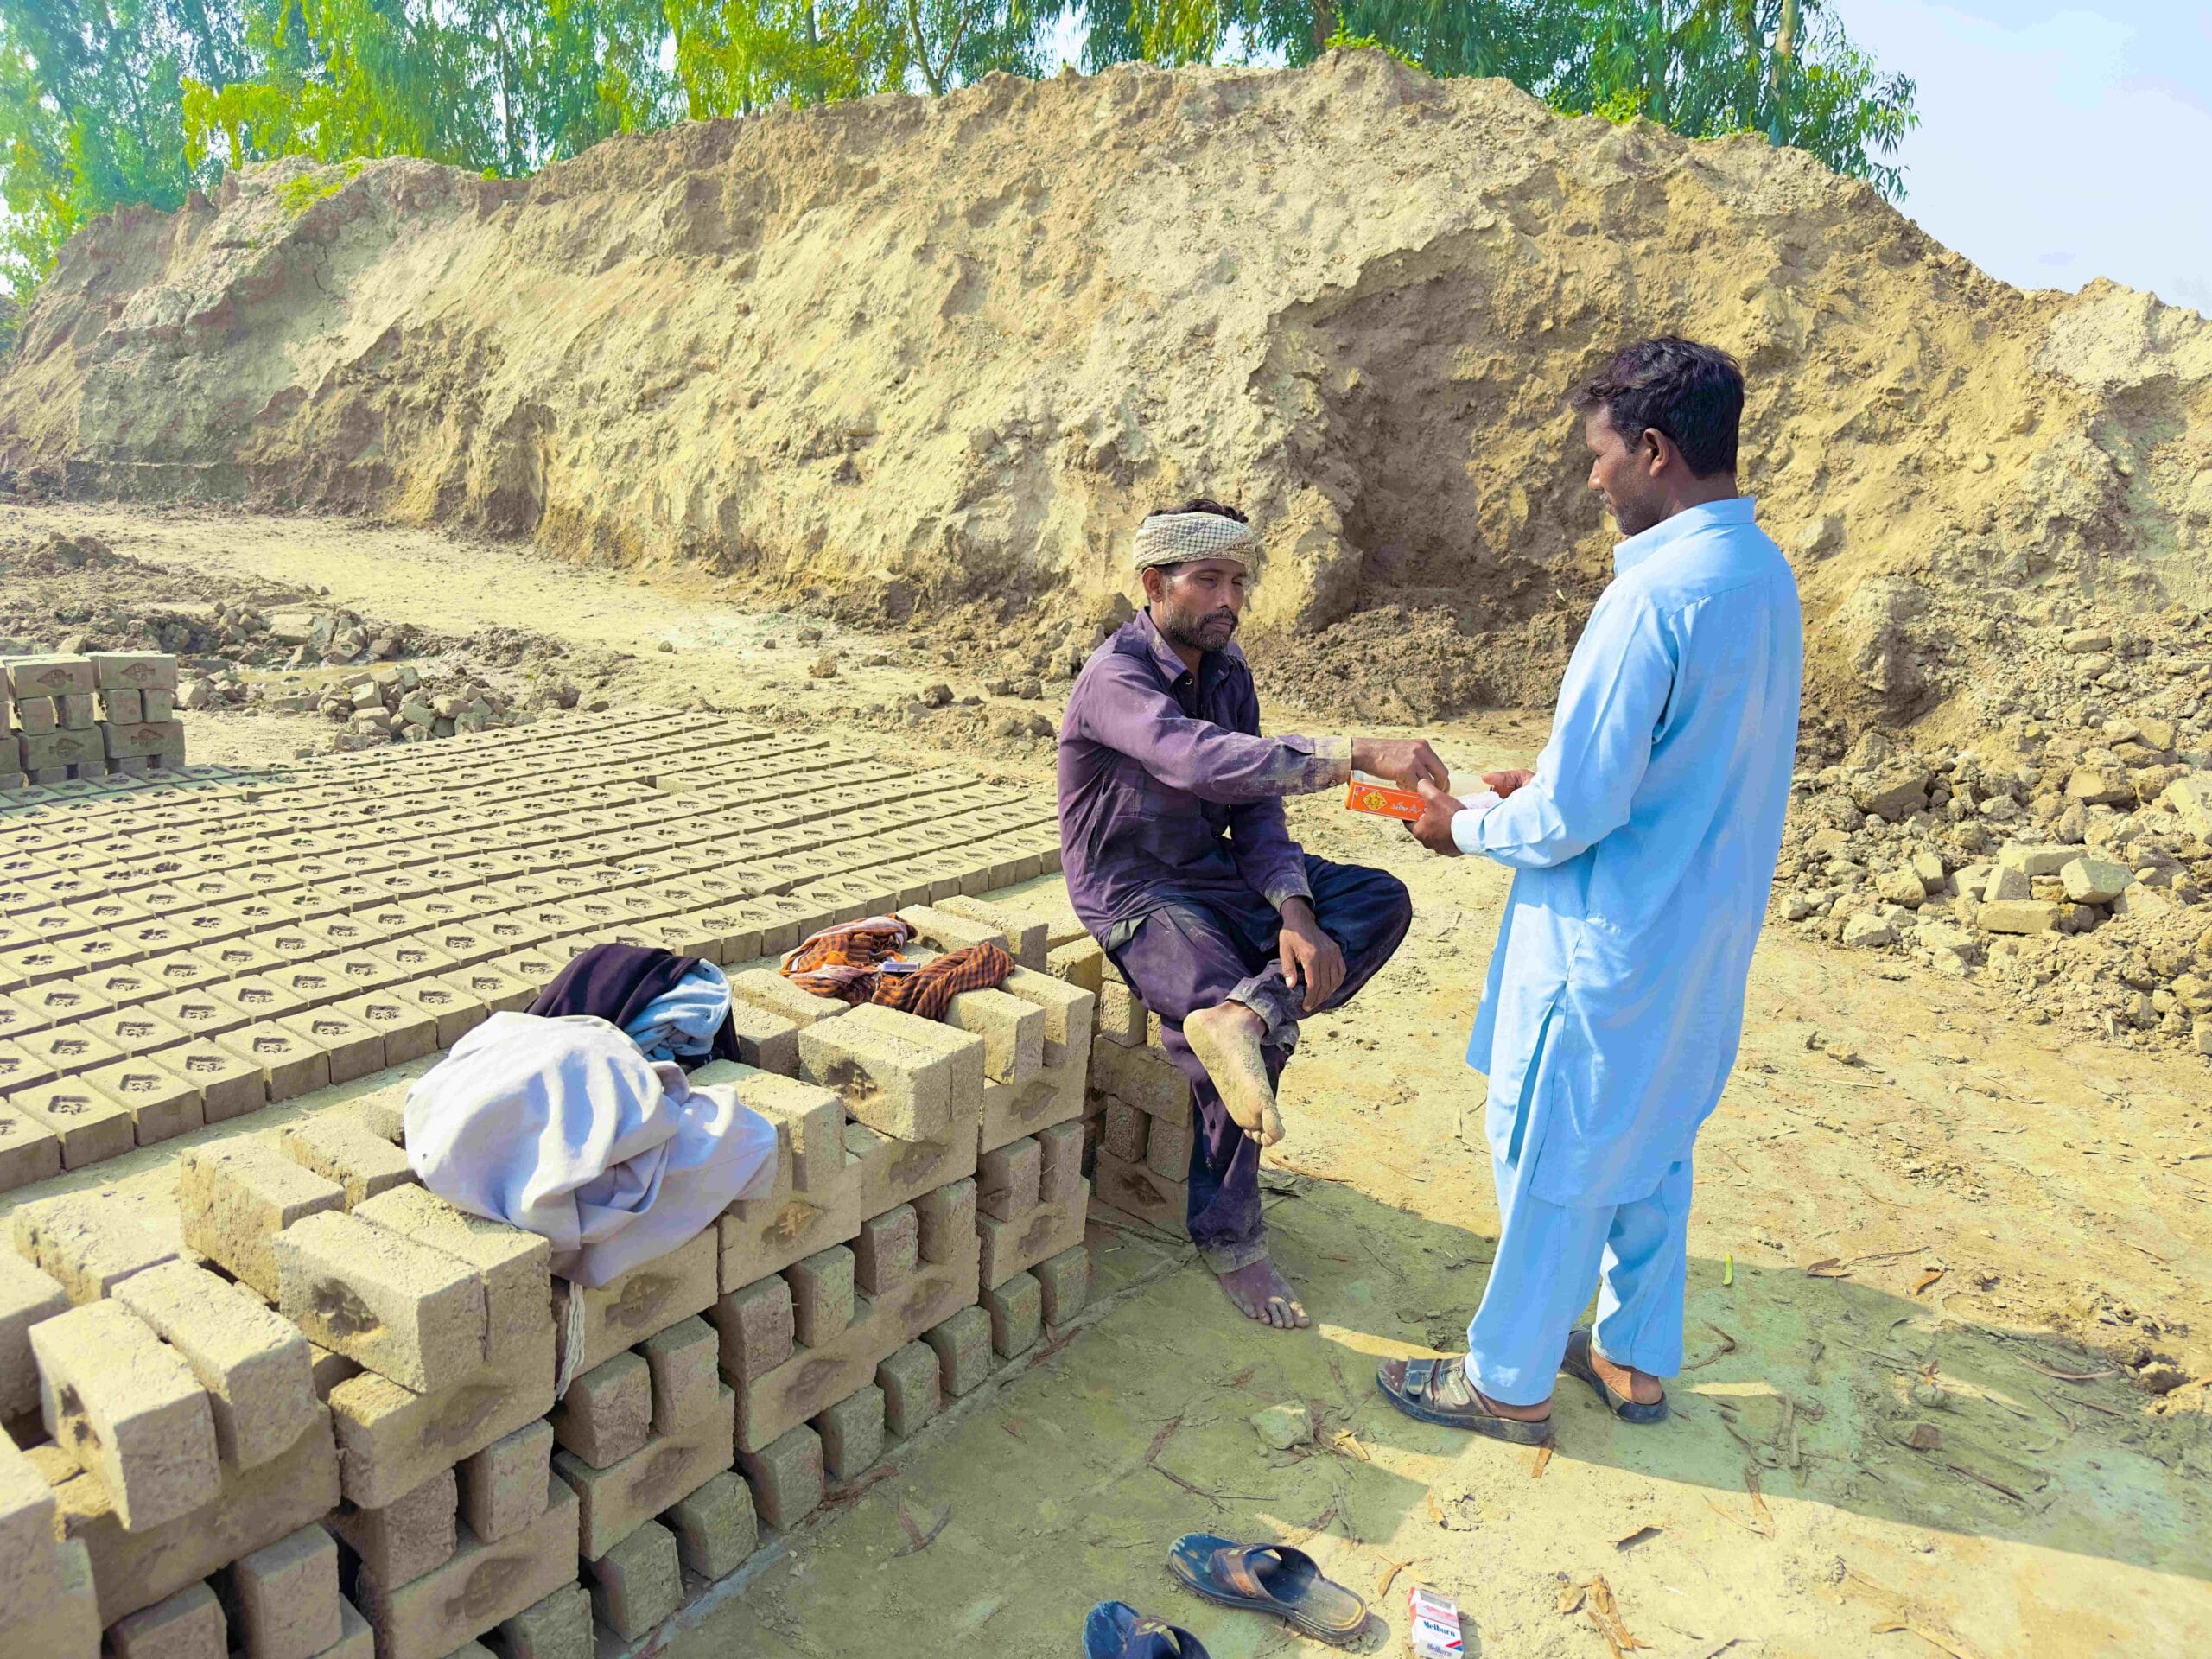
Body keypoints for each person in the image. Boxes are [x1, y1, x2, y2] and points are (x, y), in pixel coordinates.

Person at [1377, 338, 1802, 1440]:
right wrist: (1555, 778)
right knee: (1652, 1141)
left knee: (1556, 1147)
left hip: (1609, 936)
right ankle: (1631, 1357)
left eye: (1600, 455)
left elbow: (1575, 819)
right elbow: (1662, 767)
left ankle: (1505, 1380)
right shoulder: (1759, 575)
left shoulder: (1655, 596)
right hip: (1699, 934)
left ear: (1654, 450)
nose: (1593, 478)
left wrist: (1463, 824)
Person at [1058, 499, 1444, 1330]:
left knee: (1376, 898)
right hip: (1137, 893)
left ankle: (1250, 1009)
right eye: (1209, 580)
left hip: (1217, 872)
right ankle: (1230, 1234)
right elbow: (1195, 759)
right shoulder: (1116, 677)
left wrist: (1296, 909)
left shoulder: (1229, 673)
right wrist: (1351, 755)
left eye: (1239, 580)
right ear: (1156, 584)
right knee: (1222, 1020)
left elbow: (1257, 807)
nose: (1229, 599)